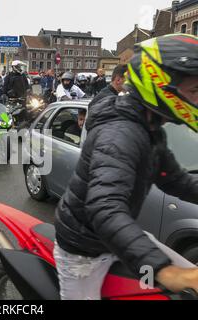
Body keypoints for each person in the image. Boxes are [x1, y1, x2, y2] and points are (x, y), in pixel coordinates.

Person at [54, 34, 198, 300]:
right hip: (84, 251)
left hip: (117, 237)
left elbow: (175, 180)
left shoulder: (150, 128)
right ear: (160, 86)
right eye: (195, 91)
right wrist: (166, 272)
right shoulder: (120, 135)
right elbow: (105, 208)